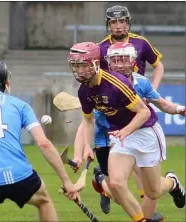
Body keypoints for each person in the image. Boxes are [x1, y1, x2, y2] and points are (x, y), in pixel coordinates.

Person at [68, 42, 185, 222]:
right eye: (76, 66)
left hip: (146, 133)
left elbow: (145, 112)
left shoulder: (117, 84)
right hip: (121, 138)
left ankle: (172, 182)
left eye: (83, 65)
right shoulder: (84, 91)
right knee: (115, 183)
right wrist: (86, 147)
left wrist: (125, 131)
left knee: (152, 192)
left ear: (95, 63)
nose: (80, 70)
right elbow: (88, 120)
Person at [0, 61, 80, 222]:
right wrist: (67, 181)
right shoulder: (20, 106)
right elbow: (44, 143)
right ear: (7, 83)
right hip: (21, 177)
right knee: (43, 200)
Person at [74, 4, 165, 218]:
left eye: (122, 21)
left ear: (128, 22)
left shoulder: (141, 43)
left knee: (139, 174)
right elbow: (87, 115)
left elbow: (158, 66)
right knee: (120, 177)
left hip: (136, 107)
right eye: (113, 22)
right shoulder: (99, 48)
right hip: (111, 111)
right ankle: (141, 212)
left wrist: (153, 91)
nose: (118, 26)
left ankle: (143, 207)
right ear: (108, 25)